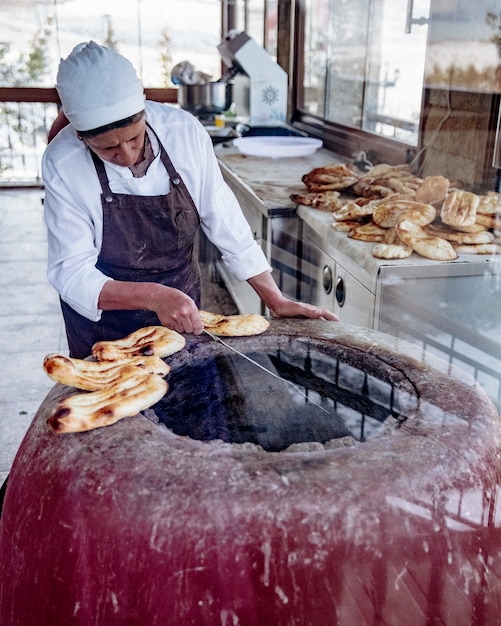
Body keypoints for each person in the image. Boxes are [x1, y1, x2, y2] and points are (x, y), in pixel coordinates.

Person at [42, 41, 337, 359]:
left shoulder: (182, 133)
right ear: (81, 136)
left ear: (144, 111)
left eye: (133, 138)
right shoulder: (63, 162)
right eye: (107, 149)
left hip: (181, 309)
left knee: (188, 399)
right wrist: (154, 296)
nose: (126, 156)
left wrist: (276, 300)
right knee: (119, 407)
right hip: (105, 328)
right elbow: (71, 273)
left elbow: (225, 222)